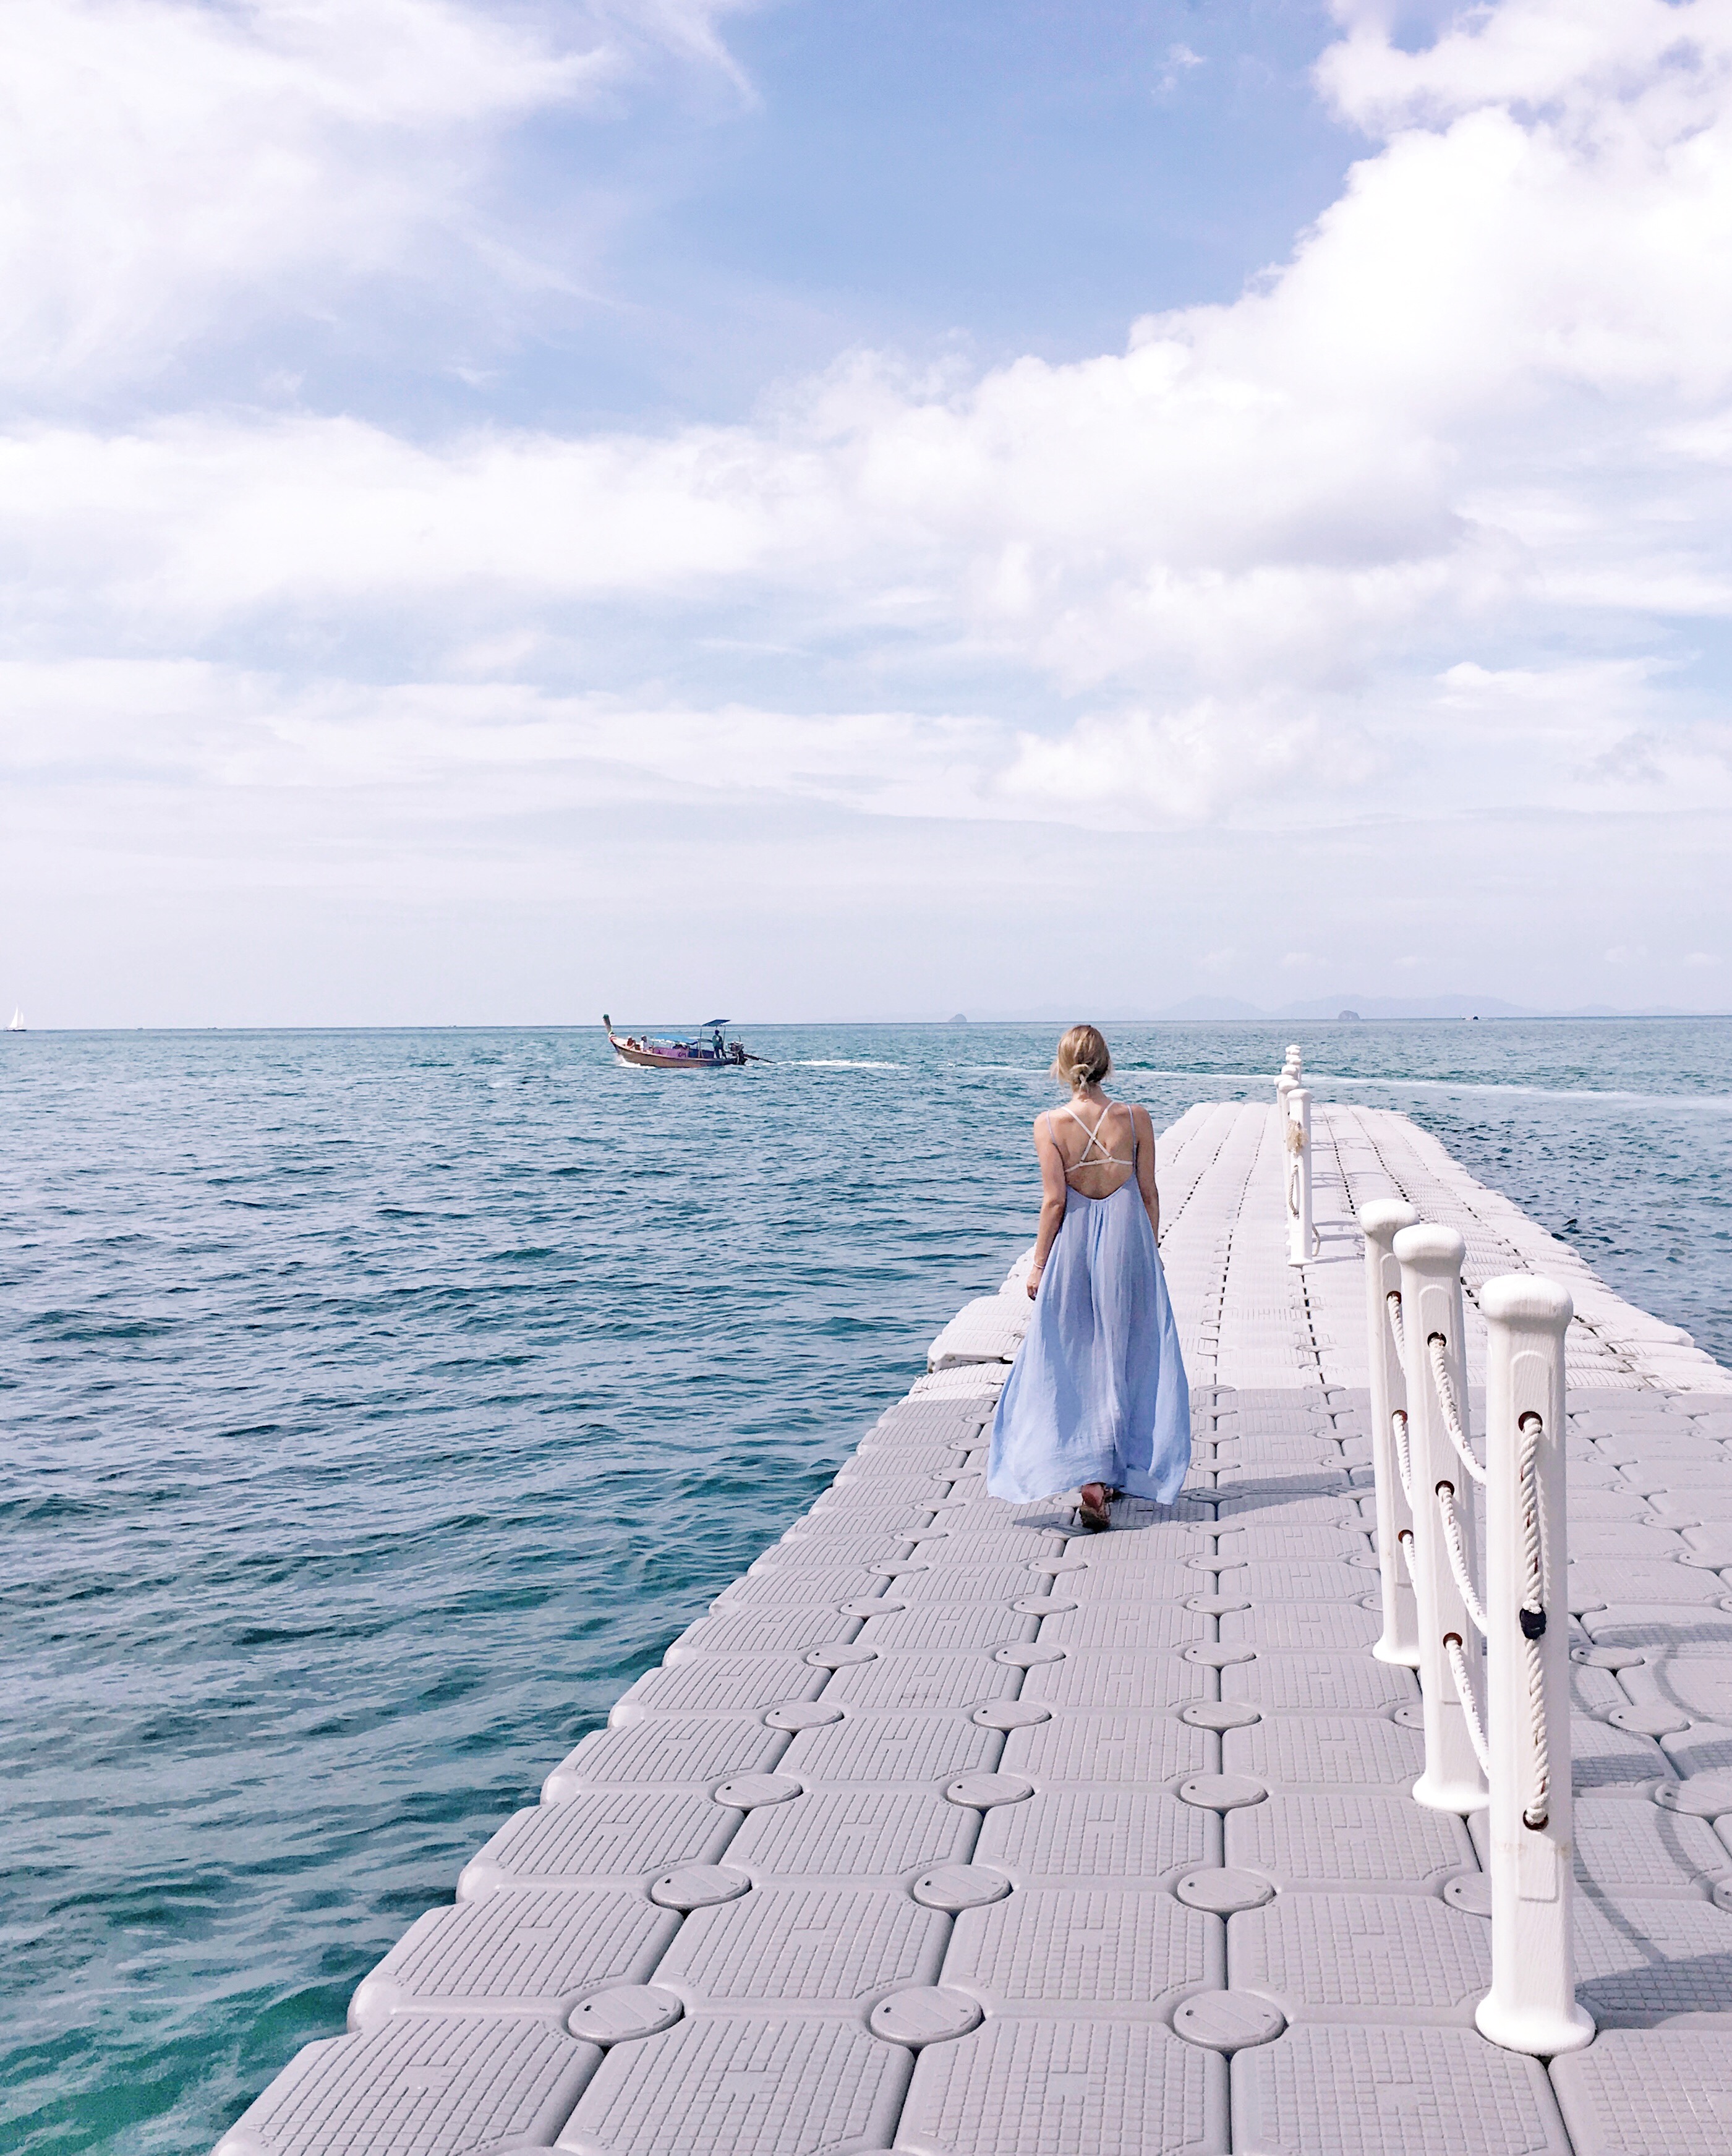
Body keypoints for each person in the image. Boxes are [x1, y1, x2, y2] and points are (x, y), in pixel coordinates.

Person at [987, 1024, 1190, 1530]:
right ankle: (1120, 1468)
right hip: (1129, 1245)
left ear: (1061, 1066)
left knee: (1069, 1356)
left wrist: (1038, 1264)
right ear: (1106, 1063)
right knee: (1131, 1353)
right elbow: (1148, 1192)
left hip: (1073, 1249)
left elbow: (1055, 1201)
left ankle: (1090, 1477)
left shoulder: (1049, 1125)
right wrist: (1151, 1249)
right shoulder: (1134, 1116)